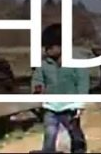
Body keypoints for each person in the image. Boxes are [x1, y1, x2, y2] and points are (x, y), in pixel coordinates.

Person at [33, 23, 89, 153]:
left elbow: (82, 83)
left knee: (74, 134)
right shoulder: (44, 64)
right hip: (50, 107)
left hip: (70, 107)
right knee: (50, 133)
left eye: (50, 47)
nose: (46, 50)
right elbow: (37, 78)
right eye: (45, 47)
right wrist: (37, 89)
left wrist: (80, 104)